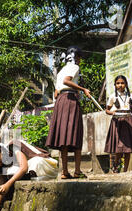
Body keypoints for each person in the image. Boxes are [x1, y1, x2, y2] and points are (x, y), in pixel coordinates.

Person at [45, 46, 91, 179]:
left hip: (60, 102)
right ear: (77, 57)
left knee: (63, 137)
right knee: (76, 134)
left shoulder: (61, 71)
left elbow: (55, 94)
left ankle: (64, 172)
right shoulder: (74, 67)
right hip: (70, 101)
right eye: (79, 58)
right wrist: (83, 89)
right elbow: (67, 81)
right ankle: (77, 171)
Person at [104, 75, 132, 173]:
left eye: (122, 83)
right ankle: (115, 166)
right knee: (119, 148)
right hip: (117, 122)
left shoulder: (130, 96)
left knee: (128, 148)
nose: (120, 85)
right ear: (115, 85)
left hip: (128, 121)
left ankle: (126, 171)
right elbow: (107, 110)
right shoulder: (112, 97)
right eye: (118, 83)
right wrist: (113, 113)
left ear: (126, 84)